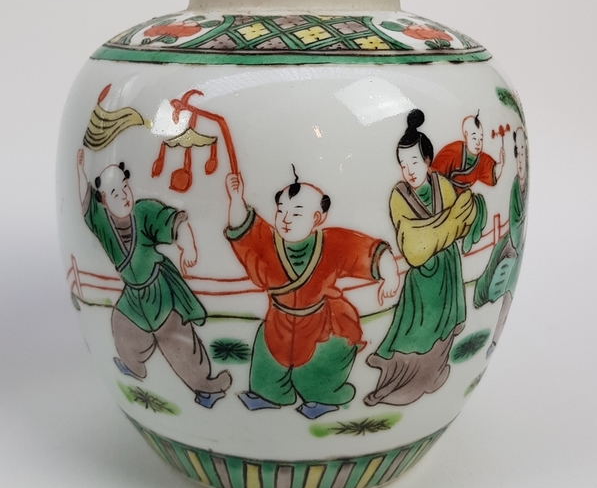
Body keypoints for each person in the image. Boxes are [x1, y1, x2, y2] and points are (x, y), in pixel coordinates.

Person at [224, 168, 400, 419]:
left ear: (317, 218)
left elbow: (366, 251)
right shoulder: (269, 244)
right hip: (278, 322)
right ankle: (268, 397)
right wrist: (236, 198)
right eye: (281, 211)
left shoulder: (330, 243)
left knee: (318, 370)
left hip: (321, 325)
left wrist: (390, 274)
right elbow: (246, 230)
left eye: (296, 213)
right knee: (268, 366)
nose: (286, 219)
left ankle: (322, 400)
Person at [76, 149, 231, 408]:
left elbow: (175, 222)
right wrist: (81, 170)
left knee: (177, 339)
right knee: (122, 325)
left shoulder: (144, 212)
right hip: (133, 295)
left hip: (160, 290)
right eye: (115, 193)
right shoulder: (103, 224)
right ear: (104, 199)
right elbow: (84, 199)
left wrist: (188, 247)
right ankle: (134, 368)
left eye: (125, 187)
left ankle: (206, 388)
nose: (124, 196)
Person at [364, 109, 477, 407]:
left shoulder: (442, 185)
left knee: (442, 333)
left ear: (427, 160)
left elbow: (461, 221)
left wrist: (442, 228)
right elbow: (412, 242)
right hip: (421, 281)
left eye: (414, 162)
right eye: (403, 165)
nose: (409, 170)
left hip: (447, 272)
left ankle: (433, 377)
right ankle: (391, 387)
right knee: (410, 336)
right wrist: (447, 225)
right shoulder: (399, 196)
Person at [474, 127, 528, 356]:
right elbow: (515, 223)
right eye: (519, 152)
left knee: (507, 294)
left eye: (524, 151)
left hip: (514, 246)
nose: (521, 158)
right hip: (510, 247)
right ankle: (491, 340)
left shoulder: (519, 183)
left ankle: (493, 341)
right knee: (498, 286)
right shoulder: (515, 186)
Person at [432, 113, 505, 193]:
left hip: (465, 196)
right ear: (466, 136)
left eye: (481, 139)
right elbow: (436, 172)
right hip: (446, 192)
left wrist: (501, 164)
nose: (478, 143)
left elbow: (492, 173)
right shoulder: (454, 150)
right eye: (474, 138)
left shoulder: (481, 160)